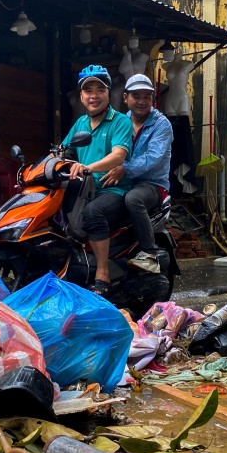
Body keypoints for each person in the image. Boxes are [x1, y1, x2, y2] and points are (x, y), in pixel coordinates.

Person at [66, 65, 133, 296]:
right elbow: (64, 152)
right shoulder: (80, 124)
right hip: (84, 189)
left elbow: (118, 155)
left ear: (108, 93)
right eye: (88, 90)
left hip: (113, 190)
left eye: (99, 89)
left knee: (92, 214)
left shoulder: (120, 121)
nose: (93, 95)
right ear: (81, 96)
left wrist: (87, 167)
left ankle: (102, 273)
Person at [101, 74, 173, 274]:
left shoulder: (161, 124)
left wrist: (125, 169)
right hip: (123, 180)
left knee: (134, 199)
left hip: (152, 185)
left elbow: (153, 157)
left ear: (152, 99)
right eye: (136, 96)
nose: (142, 101)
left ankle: (150, 253)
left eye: (146, 96)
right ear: (125, 97)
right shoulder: (120, 122)